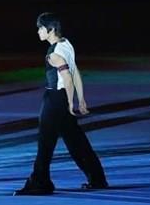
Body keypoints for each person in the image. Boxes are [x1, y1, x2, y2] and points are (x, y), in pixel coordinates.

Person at [15, 13, 109, 195]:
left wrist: (70, 102)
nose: (38, 31)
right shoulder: (66, 44)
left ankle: (40, 182)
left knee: (45, 142)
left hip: (55, 99)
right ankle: (97, 178)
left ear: (50, 30)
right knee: (76, 140)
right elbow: (75, 72)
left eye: (41, 28)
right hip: (62, 99)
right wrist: (80, 99)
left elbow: (67, 77)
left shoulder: (53, 54)